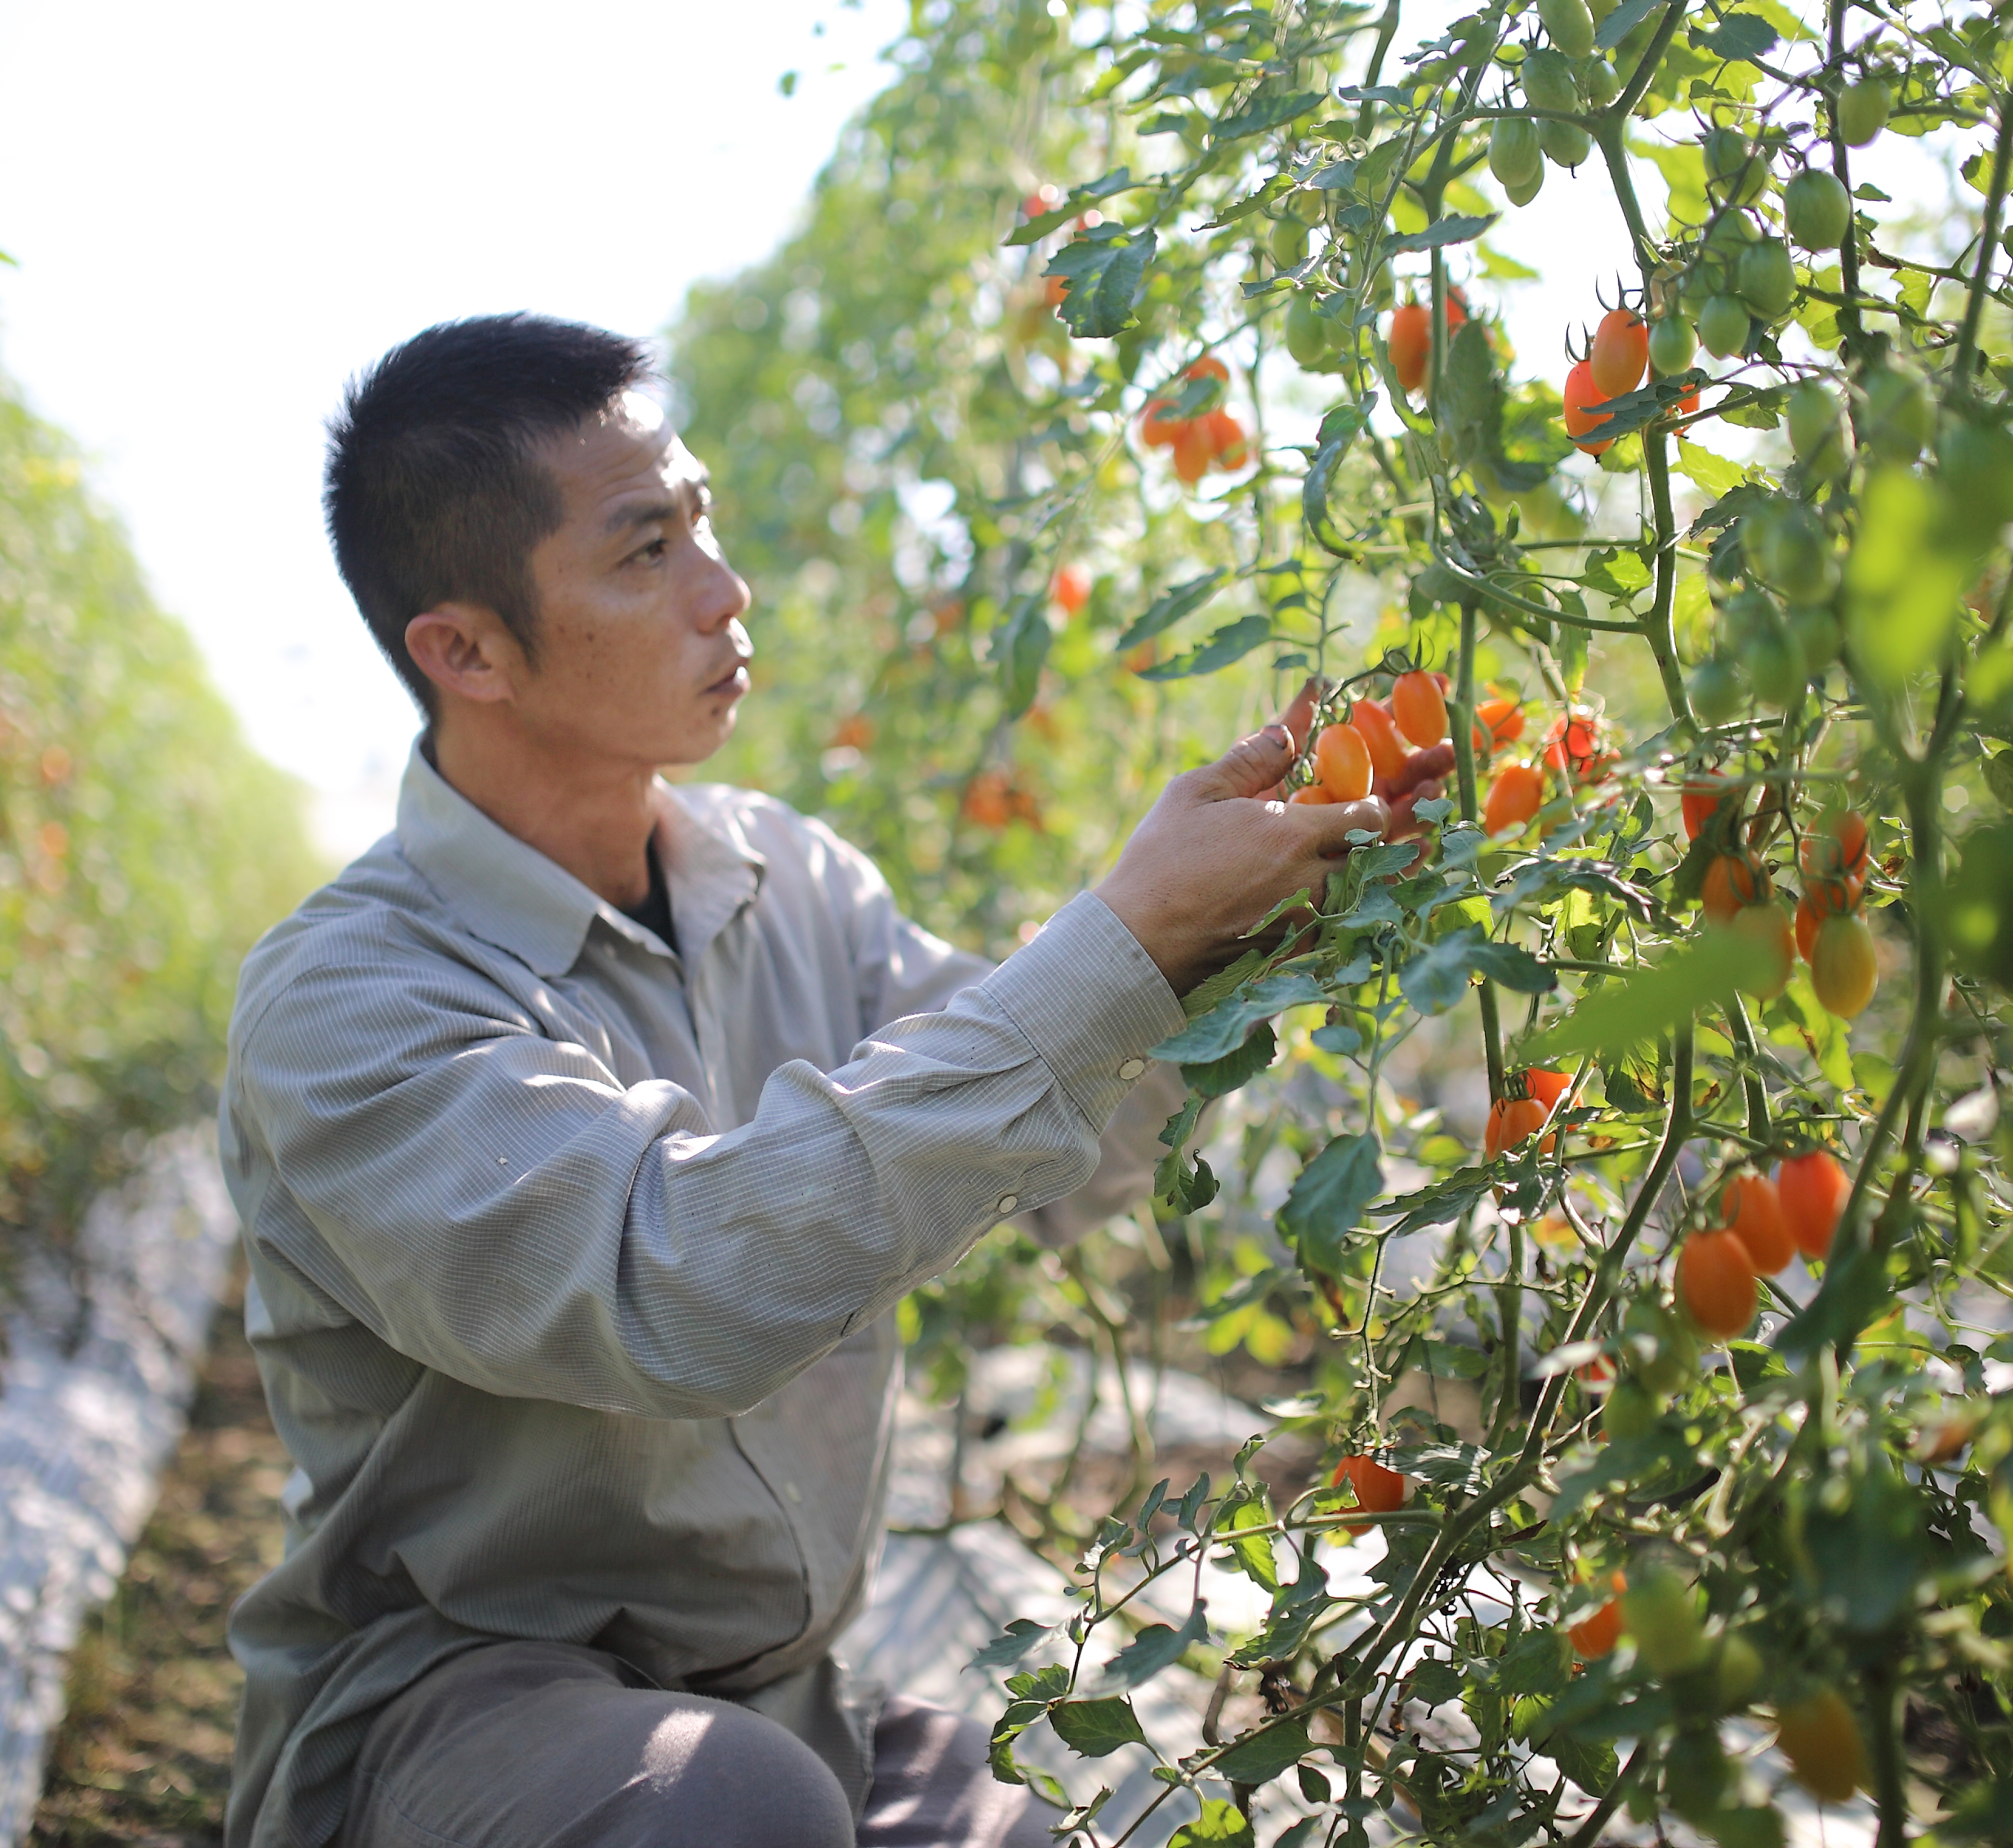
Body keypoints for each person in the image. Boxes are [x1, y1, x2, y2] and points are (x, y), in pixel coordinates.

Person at [218, 313, 1403, 1848]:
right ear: (464, 649)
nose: (724, 591)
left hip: (781, 1701)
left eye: (699, 524)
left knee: (1115, 1821)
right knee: (724, 1810)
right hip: (456, 1719)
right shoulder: (352, 1000)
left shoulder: (791, 880)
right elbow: (668, 1283)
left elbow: (1047, 1153)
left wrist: (1227, 943)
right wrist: (1116, 937)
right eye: (645, 553)